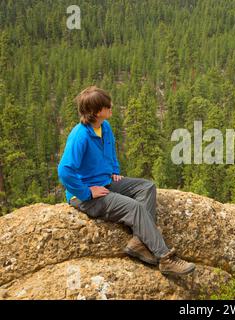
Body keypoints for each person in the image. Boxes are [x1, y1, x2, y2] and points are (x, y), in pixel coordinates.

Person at [58, 86, 195, 276]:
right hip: (85, 195)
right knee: (134, 207)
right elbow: (64, 171)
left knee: (147, 187)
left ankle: (139, 241)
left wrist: (113, 170)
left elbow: (111, 151)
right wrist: (87, 193)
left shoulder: (104, 126)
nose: (111, 106)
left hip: (105, 181)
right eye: (107, 105)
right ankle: (165, 258)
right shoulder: (79, 135)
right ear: (97, 112)